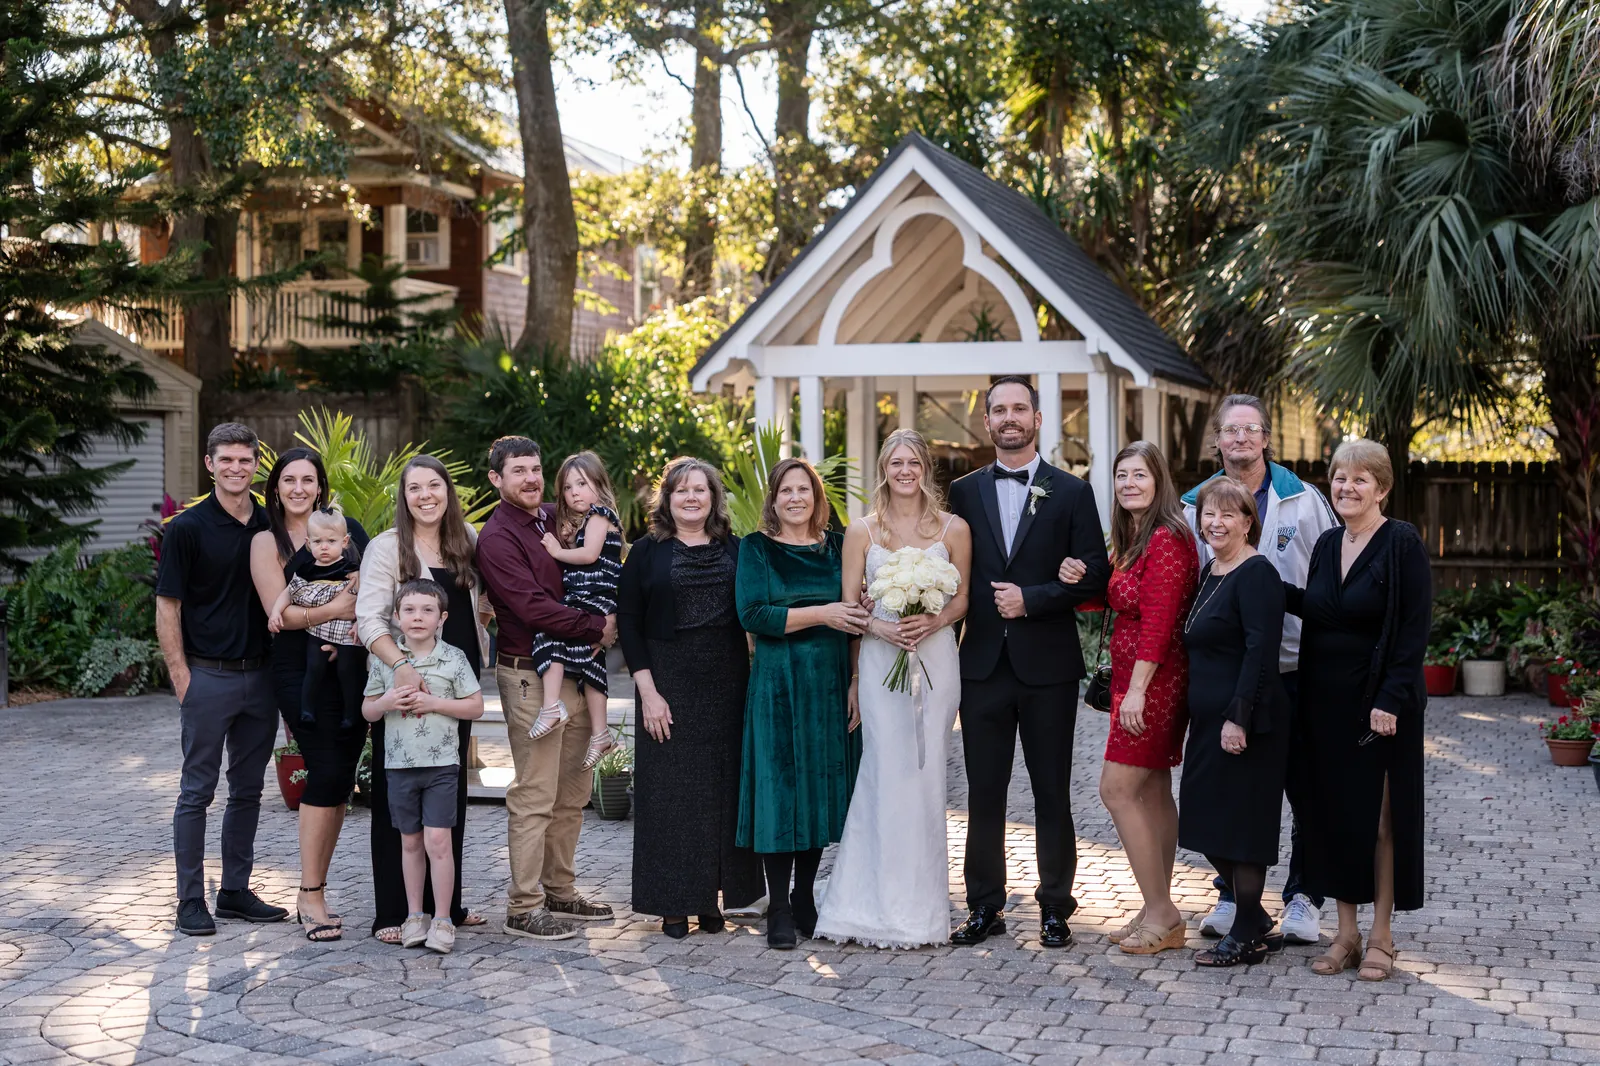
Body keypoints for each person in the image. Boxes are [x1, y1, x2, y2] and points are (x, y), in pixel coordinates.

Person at [945, 376, 1110, 949]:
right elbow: (943, 569)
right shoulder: (962, 493)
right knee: (983, 794)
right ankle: (984, 905)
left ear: (1038, 418)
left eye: (1019, 408)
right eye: (998, 410)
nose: (1009, 417)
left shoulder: (1071, 491)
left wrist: (1035, 597)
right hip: (983, 666)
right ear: (986, 421)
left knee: (1051, 791)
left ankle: (1055, 907)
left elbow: (1096, 571)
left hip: (1049, 668)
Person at [1181, 393, 1338, 944]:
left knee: (1306, 789)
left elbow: (1328, 579)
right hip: (1229, 675)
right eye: (1230, 430)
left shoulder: (1305, 501)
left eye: (1251, 429)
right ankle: (1235, 896)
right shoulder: (1192, 505)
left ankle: (1302, 896)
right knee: (1236, 794)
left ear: (1266, 437)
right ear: (1218, 440)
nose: (1241, 439)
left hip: (1296, 669)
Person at [815, 429, 972, 949]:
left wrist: (931, 621)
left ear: (926, 467)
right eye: (895, 462)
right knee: (883, 770)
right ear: (884, 468)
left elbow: (964, 599)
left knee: (926, 778)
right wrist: (879, 638)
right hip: (883, 660)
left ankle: (921, 911)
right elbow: (850, 609)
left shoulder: (954, 529)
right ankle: (861, 905)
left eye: (913, 462)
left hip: (936, 658)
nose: (905, 470)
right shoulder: (862, 531)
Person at [1290, 440, 1430, 982]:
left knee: (1379, 823)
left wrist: (1390, 698)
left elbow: (1413, 628)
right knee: (1333, 817)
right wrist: (1253, 578)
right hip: (1326, 701)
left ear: (1382, 488)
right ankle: (1345, 934)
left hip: (1381, 706)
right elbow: (1320, 610)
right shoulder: (1327, 544)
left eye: (1359, 479)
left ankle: (1382, 936)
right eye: (1339, 477)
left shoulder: (1401, 543)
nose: (1346, 487)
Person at [1059, 441, 1198, 955]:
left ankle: (1163, 912)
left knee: (1116, 789)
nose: (1129, 484)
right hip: (1134, 681)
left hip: (1154, 682)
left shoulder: (1167, 539)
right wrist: (1079, 579)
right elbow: (1117, 597)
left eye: (1139, 475)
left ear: (1159, 480)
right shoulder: (1135, 537)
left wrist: (1138, 691)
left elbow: (1160, 624)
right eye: (1121, 477)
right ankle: (1155, 907)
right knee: (1154, 790)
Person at [476, 437, 617, 942]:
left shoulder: (554, 516)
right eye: (519, 471)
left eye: (536, 469)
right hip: (529, 676)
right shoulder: (497, 539)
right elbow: (532, 607)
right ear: (497, 479)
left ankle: (560, 890)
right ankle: (524, 906)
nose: (531, 478)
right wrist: (597, 625)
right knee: (535, 793)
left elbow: (603, 552)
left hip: (576, 670)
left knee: (573, 793)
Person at [155, 422, 290, 936]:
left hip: (261, 677)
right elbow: (168, 606)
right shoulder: (187, 528)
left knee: (249, 791)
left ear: (256, 465)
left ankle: (234, 891)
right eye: (226, 460)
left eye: (245, 460)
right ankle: (190, 899)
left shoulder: (269, 524)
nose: (237, 468)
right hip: (207, 677)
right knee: (196, 792)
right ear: (209, 464)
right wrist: (181, 677)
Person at [622, 458, 766, 937]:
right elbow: (629, 626)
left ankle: (711, 902)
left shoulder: (738, 549)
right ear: (667, 499)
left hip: (726, 683)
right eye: (681, 490)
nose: (690, 498)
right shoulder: (645, 552)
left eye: (700, 490)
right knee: (670, 797)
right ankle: (673, 903)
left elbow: (762, 606)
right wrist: (648, 692)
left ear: (713, 498)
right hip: (667, 681)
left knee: (722, 795)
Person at [735, 458, 870, 949]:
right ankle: (779, 908)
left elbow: (856, 613)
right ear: (773, 499)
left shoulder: (839, 546)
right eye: (786, 490)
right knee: (779, 789)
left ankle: (806, 897)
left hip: (831, 682)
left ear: (817, 498)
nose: (795, 498)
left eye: (804, 490)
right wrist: (822, 613)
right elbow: (753, 614)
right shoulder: (756, 549)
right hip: (777, 683)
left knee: (818, 785)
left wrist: (856, 678)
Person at [356, 455, 490, 943]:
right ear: (404, 496)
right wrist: (401, 667)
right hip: (403, 683)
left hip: (456, 681)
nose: (426, 495)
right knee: (399, 798)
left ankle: (445, 909)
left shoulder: (468, 540)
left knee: (447, 791)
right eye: (415, 488)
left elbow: (482, 601)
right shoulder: (386, 547)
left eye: (435, 486)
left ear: (448, 491)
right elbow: (369, 618)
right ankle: (394, 911)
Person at [250, 447, 368, 942]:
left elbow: (371, 590)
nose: (299, 488)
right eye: (289, 480)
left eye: (309, 480)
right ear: (275, 487)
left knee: (341, 777)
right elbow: (282, 617)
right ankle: (310, 893)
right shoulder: (265, 542)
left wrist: (353, 622)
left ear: (321, 486)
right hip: (300, 670)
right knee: (322, 773)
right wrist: (338, 607)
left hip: (351, 663)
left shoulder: (350, 530)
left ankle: (317, 887)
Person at [1179, 477, 1291, 967]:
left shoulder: (1257, 573)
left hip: (1245, 723)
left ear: (1249, 522)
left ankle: (1246, 934)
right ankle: (1253, 917)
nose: (1216, 523)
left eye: (1228, 515)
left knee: (1241, 827)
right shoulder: (1211, 571)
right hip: (1207, 723)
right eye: (1208, 514)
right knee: (1203, 823)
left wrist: (1238, 717)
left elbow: (1260, 653)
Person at [362, 578, 486, 955]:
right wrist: (386, 701)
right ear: (396, 617)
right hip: (399, 766)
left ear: (442, 618)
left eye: (427, 610)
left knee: (438, 842)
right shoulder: (386, 660)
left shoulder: (454, 658)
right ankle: (415, 915)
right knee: (410, 842)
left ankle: (444, 918)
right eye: (410, 611)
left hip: (442, 766)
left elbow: (475, 707)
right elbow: (368, 710)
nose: (418, 617)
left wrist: (435, 705)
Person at [529, 451, 625, 771]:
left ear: (599, 484)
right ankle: (600, 734)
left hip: (593, 597)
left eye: (582, 484)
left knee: (550, 632)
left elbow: (589, 556)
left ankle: (550, 707)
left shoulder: (600, 515)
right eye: (568, 489)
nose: (574, 494)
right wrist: (570, 541)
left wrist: (558, 550)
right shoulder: (589, 521)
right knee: (591, 664)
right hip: (592, 598)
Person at [268, 507, 364, 730]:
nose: (324, 547)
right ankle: (307, 709)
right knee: (314, 668)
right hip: (317, 632)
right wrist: (275, 612)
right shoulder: (307, 570)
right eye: (318, 541)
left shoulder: (351, 569)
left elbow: (364, 597)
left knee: (347, 672)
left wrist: (360, 621)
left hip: (346, 633)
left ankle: (350, 714)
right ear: (308, 543)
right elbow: (288, 593)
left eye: (331, 541)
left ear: (345, 541)